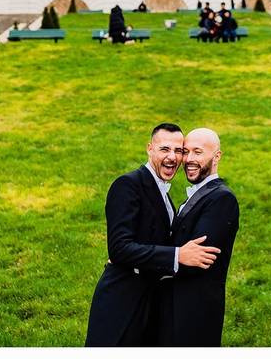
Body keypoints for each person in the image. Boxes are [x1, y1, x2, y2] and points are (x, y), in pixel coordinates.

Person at [85, 124, 220, 346]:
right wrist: (177, 256)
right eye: (165, 149)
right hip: (122, 299)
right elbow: (119, 249)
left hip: (150, 301)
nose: (172, 157)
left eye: (179, 151)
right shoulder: (127, 185)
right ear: (150, 149)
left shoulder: (166, 198)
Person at [158, 128, 239, 347]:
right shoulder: (201, 194)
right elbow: (180, 251)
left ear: (217, 156)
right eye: (186, 152)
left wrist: (138, 260)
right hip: (175, 306)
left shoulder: (222, 199)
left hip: (195, 312)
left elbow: (195, 260)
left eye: (198, 152)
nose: (189, 160)